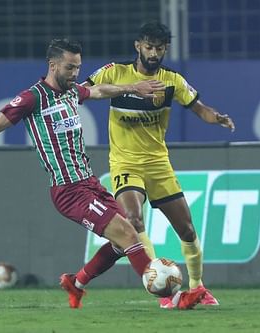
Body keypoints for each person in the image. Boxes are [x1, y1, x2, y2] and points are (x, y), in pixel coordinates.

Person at [0, 38, 206, 310]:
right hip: (68, 190)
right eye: (70, 68)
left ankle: (77, 282)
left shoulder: (72, 91)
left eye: (78, 68)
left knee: (124, 241)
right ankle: (172, 298)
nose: (75, 74)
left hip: (90, 183)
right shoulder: (32, 98)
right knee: (130, 236)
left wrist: (133, 87)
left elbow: (99, 91)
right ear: (53, 65)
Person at [83, 21, 235, 308]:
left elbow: (199, 108)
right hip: (125, 163)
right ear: (138, 46)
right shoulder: (115, 72)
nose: (153, 53)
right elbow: (84, 91)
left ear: (166, 49)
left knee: (187, 229)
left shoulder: (172, 81)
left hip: (158, 165)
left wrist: (216, 117)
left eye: (159, 48)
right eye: (149, 47)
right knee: (134, 217)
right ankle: (161, 288)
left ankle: (199, 287)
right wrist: (127, 88)